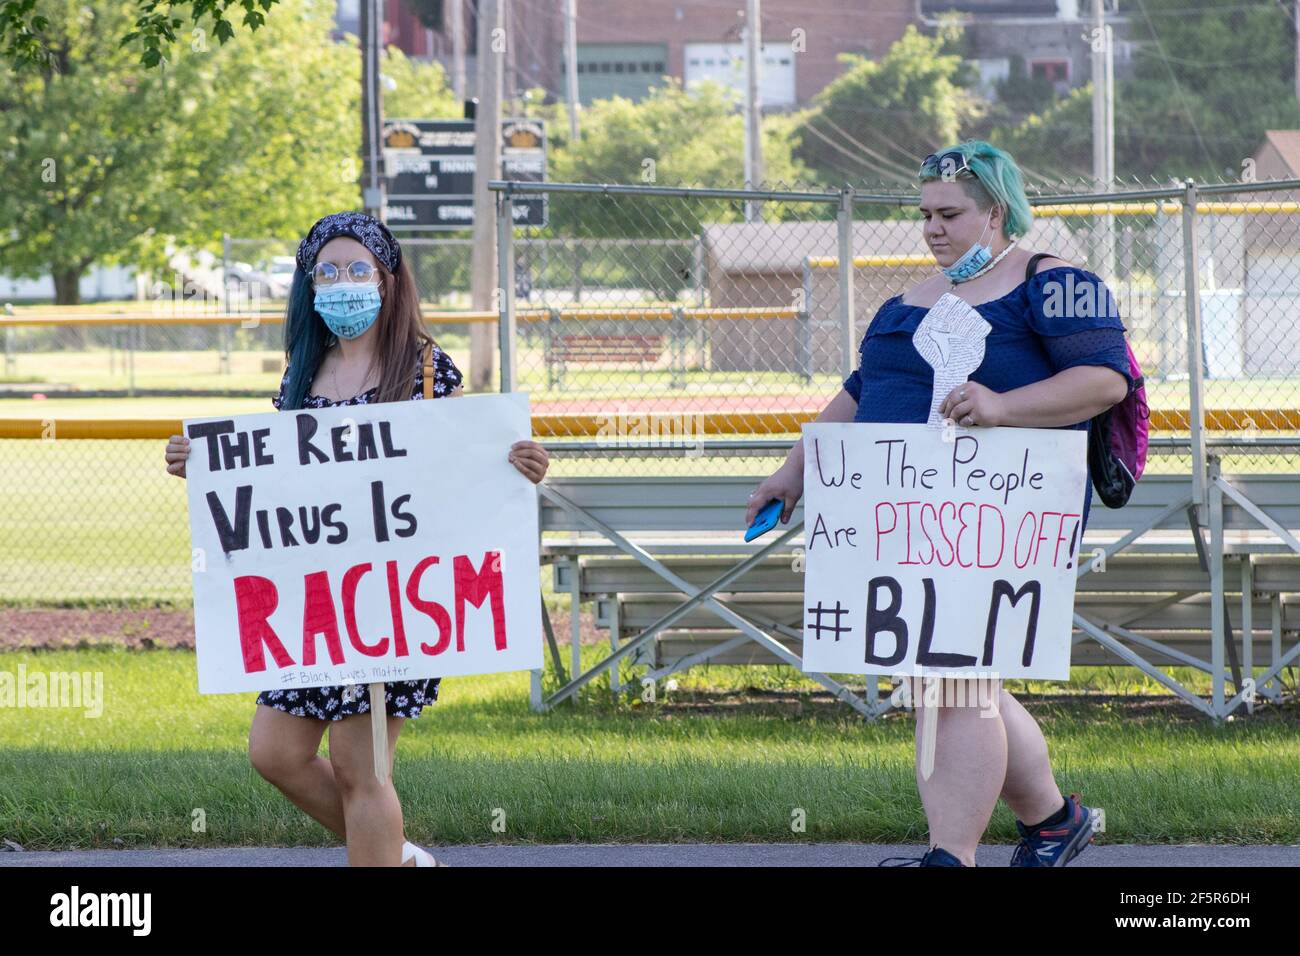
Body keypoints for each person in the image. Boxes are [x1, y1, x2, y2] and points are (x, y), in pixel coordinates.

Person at [745, 141, 1133, 867]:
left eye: (950, 213)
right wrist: (791, 474)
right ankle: (1053, 821)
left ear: (998, 211)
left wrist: (1003, 404)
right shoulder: (907, 299)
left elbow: (1104, 381)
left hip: (995, 517)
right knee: (946, 676)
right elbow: (861, 391)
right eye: (923, 213)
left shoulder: (1057, 282)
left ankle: (949, 857)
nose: (932, 227)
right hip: (898, 517)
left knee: (953, 678)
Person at [164, 211, 549, 867]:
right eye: (328, 273)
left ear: (387, 280)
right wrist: (199, 466)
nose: (343, 284)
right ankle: (397, 856)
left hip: (391, 599)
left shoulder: (427, 368)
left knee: (358, 766)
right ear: (310, 288)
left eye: (357, 269)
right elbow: (283, 480)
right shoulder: (300, 375)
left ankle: (383, 854)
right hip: (314, 602)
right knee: (275, 753)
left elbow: (462, 465)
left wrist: (516, 466)